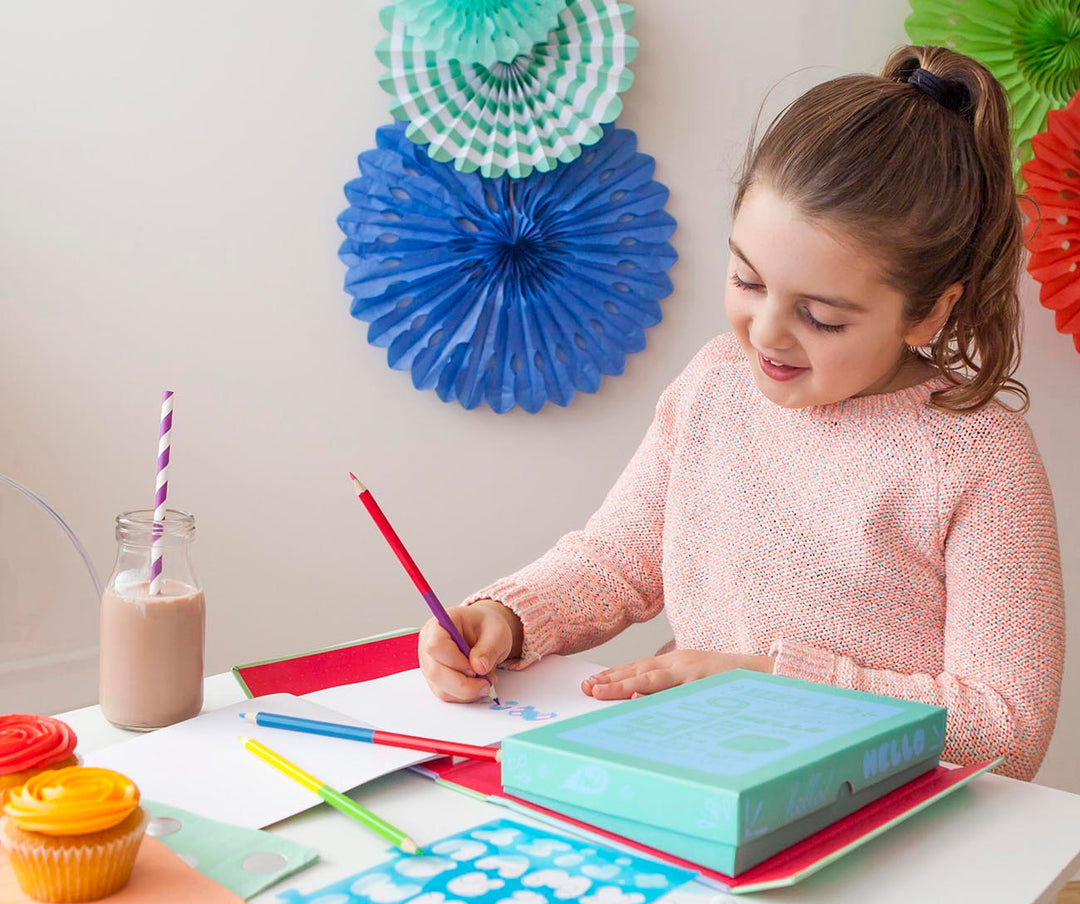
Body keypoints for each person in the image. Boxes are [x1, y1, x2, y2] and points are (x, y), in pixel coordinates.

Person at [417, 44, 1065, 782]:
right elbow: (617, 560)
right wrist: (509, 617)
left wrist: (765, 685)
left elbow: (1007, 730)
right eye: (747, 280)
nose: (765, 334)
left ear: (929, 313)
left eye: (821, 318)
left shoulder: (978, 455)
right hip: (694, 785)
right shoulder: (715, 385)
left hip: (883, 830)